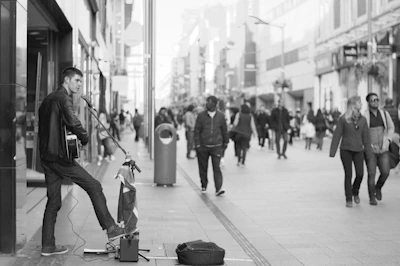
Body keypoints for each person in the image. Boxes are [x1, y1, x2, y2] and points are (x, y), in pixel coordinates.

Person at [38, 67, 126, 256]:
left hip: (47, 156)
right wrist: (85, 138)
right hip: (61, 158)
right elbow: (73, 121)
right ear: (67, 80)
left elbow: (51, 127)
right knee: (94, 186)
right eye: (77, 80)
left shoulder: (47, 100)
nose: (79, 84)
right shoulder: (63, 99)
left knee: (53, 202)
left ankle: (47, 246)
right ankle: (110, 227)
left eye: (80, 81)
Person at [329, 95, 372, 208]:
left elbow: (366, 138)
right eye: (359, 102)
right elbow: (337, 135)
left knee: (360, 174)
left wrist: (369, 154)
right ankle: (348, 198)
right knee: (348, 174)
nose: (361, 104)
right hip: (346, 150)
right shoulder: (343, 119)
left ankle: (355, 191)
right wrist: (332, 152)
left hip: (359, 150)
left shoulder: (363, 120)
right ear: (353, 105)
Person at [194, 96, 229, 196]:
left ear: (214, 104)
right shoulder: (201, 116)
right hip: (203, 146)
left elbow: (224, 130)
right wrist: (197, 145)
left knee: (216, 168)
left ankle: (218, 188)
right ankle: (204, 185)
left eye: (209, 102)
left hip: (216, 146)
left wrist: (225, 142)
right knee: (203, 167)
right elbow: (197, 131)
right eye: (206, 101)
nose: (206, 103)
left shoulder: (221, 116)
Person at [364, 93, 394, 205]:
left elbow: (391, 127)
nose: (376, 102)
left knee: (386, 172)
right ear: (369, 102)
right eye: (373, 100)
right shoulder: (365, 116)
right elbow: (363, 132)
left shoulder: (384, 114)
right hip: (371, 150)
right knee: (371, 173)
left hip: (383, 149)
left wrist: (389, 139)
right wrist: (369, 145)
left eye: (377, 99)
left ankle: (378, 187)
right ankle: (372, 197)